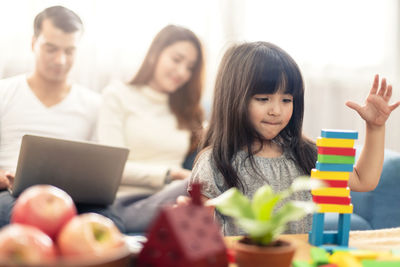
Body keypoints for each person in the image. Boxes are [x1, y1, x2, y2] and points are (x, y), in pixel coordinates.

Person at [187, 41, 400, 236]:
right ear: (233, 99)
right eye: (263, 99)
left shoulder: (305, 153)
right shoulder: (215, 162)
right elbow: (201, 236)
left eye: (287, 99)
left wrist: (375, 127)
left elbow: (364, 180)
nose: (276, 110)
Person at [0, 6, 123, 231]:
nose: (60, 60)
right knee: (23, 220)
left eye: (69, 51)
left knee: (110, 225)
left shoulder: (94, 104)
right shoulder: (4, 93)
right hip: (12, 194)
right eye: (51, 49)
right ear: (33, 43)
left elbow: (100, 170)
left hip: (75, 196)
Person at [97, 25, 204, 197]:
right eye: (176, 60)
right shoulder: (117, 96)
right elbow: (110, 168)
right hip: (128, 200)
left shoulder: (186, 110)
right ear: (154, 54)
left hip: (176, 198)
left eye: (190, 67)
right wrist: (171, 174)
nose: (182, 72)